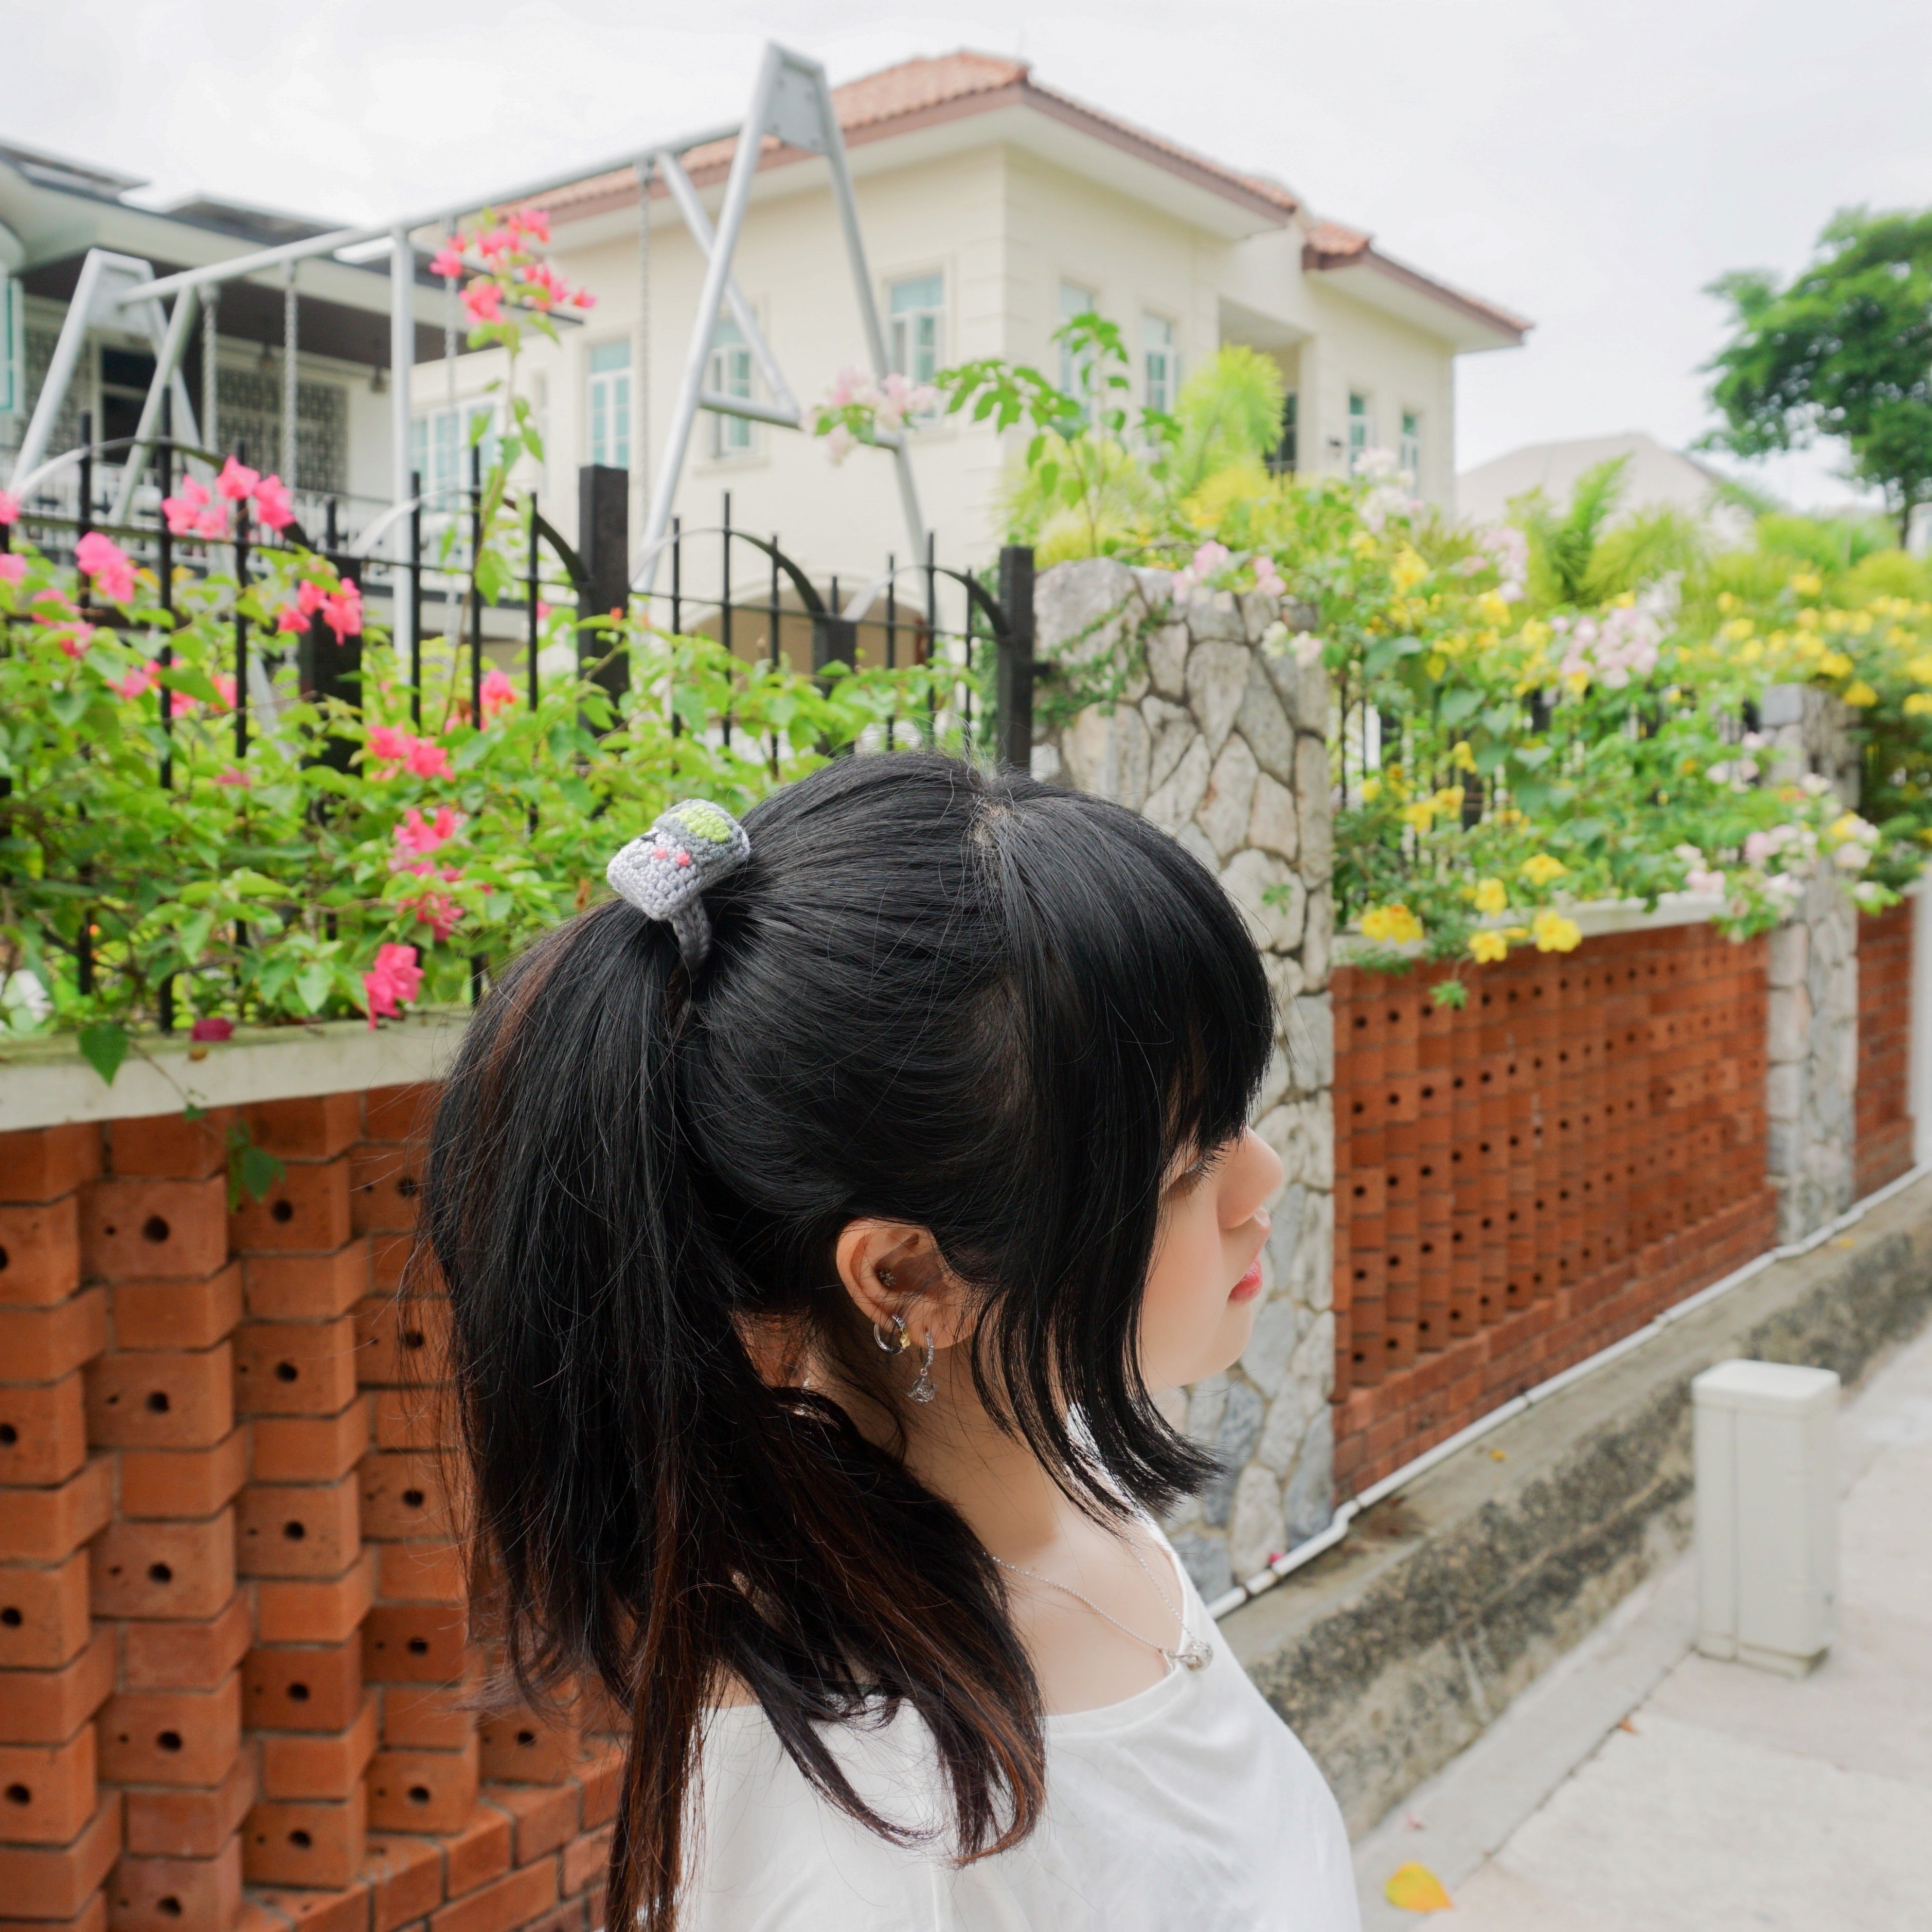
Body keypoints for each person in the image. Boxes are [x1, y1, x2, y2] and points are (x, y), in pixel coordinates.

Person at [422, 753, 1359, 1932]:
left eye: (1241, 1119)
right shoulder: (867, 1823)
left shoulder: (1061, 1469)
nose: (1264, 1182)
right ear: (910, 1276)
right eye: (1185, 1172)